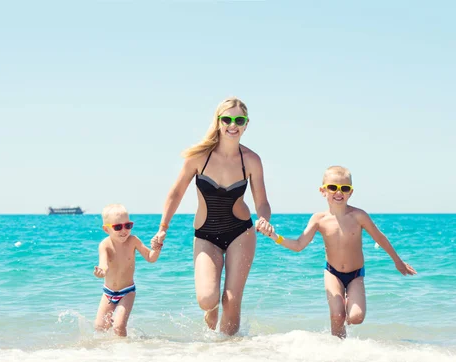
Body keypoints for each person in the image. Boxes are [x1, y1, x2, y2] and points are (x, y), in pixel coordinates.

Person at [151, 97, 272, 336]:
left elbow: (262, 202)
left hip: (241, 232)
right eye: (227, 119)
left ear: (246, 124)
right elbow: (176, 193)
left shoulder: (251, 160)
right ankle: (211, 317)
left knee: (231, 300)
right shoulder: (199, 156)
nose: (232, 124)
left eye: (239, 120)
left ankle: (227, 354)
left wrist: (264, 219)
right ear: (218, 122)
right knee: (208, 300)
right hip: (206, 234)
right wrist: (163, 227)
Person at [257, 166, 416, 338]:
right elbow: (298, 245)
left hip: (356, 274)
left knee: (356, 317)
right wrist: (274, 236)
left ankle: (347, 309)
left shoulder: (359, 216)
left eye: (344, 188)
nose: (338, 192)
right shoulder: (319, 219)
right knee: (337, 315)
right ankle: (336, 353)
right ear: (323, 190)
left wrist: (397, 261)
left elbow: (380, 238)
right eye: (333, 187)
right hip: (332, 273)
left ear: (350, 192)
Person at [94, 203, 161, 336]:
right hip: (108, 292)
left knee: (118, 326)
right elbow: (104, 265)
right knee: (99, 327)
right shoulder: (105, 245)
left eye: (128, 225)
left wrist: (157, 248)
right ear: (106, 229)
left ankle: (125, 352)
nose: (124, 230)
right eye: (118, 227)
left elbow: (150, 257)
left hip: (127, 291)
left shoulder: (133, 241)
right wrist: (100, 272)